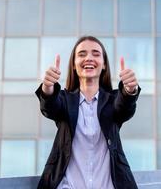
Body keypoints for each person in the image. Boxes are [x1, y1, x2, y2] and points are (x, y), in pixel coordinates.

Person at [35, 36, 141, 189]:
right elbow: (50, 106)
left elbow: (124, 106)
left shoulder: (113, 101)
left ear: (104, 64)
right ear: (73, 65)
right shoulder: (65, 101)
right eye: (82, 54)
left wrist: (130, 90)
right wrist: (48, 87)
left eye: (96, 54)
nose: (89, 58)